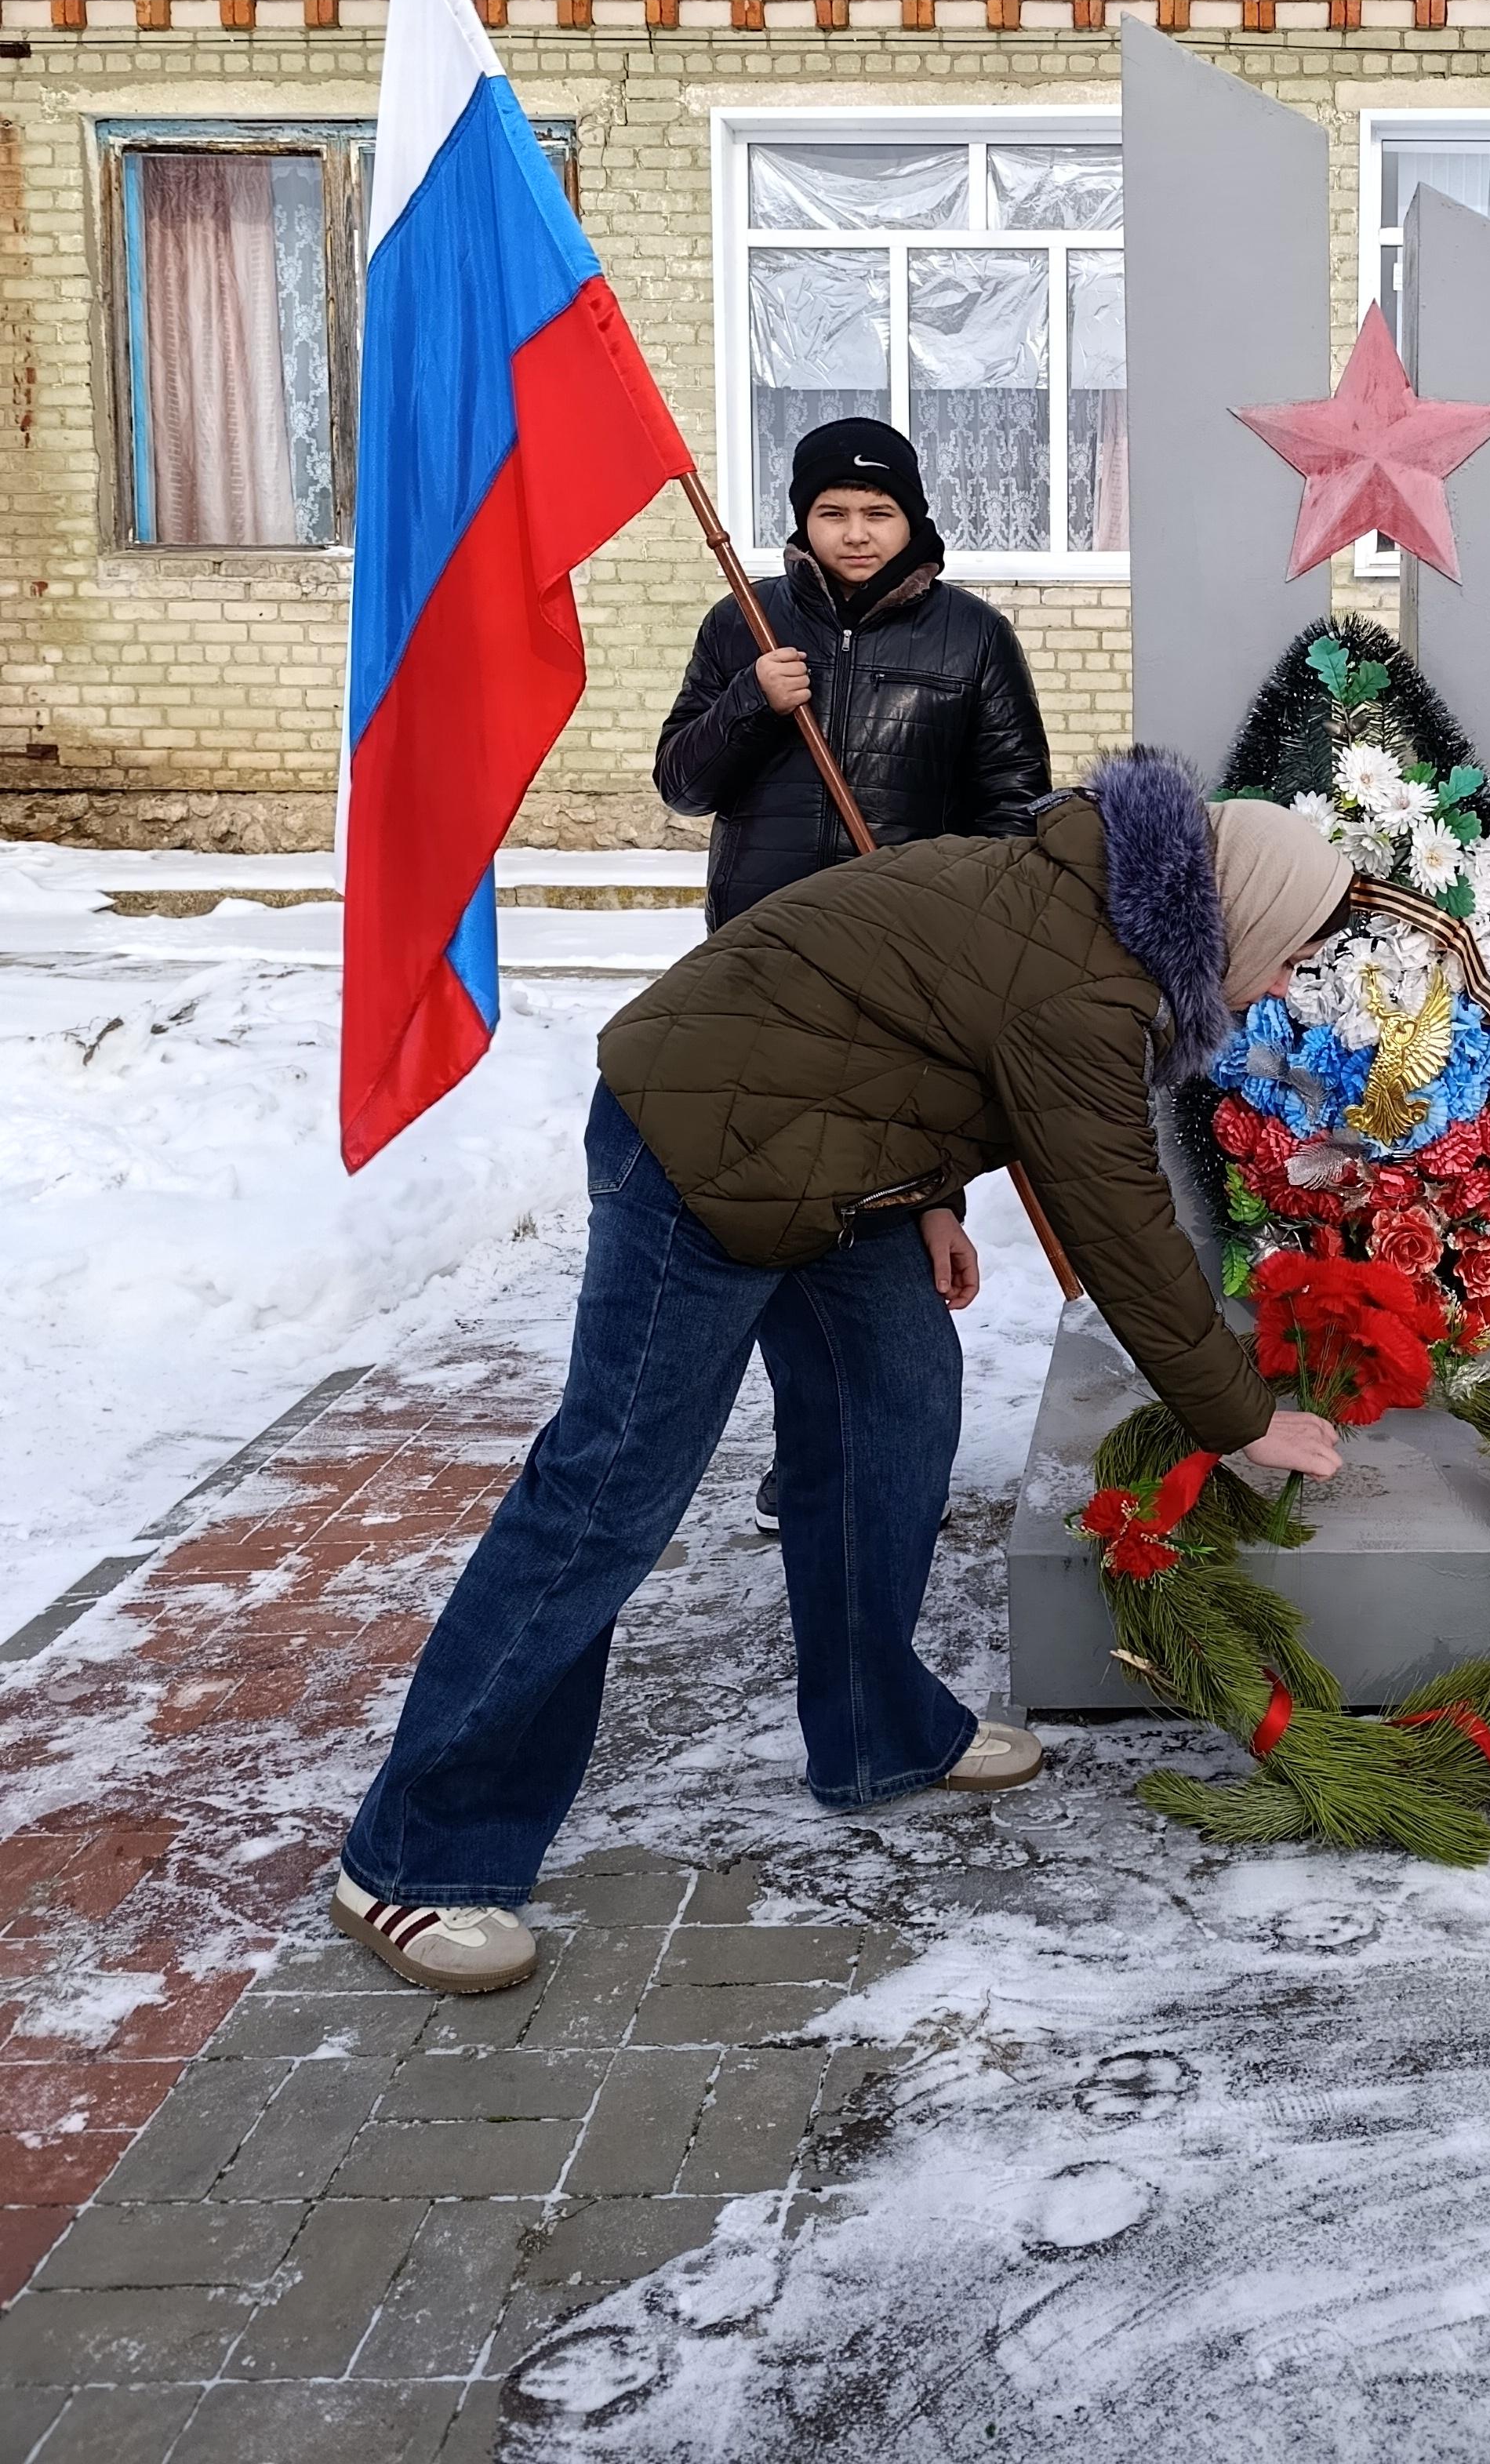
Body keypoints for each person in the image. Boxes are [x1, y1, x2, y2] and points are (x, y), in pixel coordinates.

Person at [330, 756, 1354, 1995]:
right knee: (609, 1493)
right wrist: (1240, 1416)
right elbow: (1115, 1220)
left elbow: (898, 1026)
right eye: (1292, 950)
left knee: (897, 1419)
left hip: (831, 1158)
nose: (1289, 980)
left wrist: (925, 1197)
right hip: (699, 1152)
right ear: (1235, 914)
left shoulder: (1070, 906)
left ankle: (875, 1735)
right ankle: (417, 1854)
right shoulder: (1089, 979)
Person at [653, 417, 1051, 1535]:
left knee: (889, 1184)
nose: (857, 532)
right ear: (803, 520)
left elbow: (1012, 810)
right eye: (835, 512)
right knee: (782, 1203)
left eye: (878, 513)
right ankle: (809, 1455)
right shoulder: (745, 626)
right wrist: (749, 704)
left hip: (900, 969)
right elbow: (681, 784)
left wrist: (964, 921)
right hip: (761, 965)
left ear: (914, 519)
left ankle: (894, 1439)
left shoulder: (973, 639)